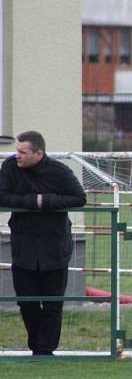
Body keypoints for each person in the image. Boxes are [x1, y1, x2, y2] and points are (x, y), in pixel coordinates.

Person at [0, 131, 86, 355]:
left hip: (55, 249)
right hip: (24, 248)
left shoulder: (59, 171)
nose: (16, 155)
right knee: (27, 304)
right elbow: (2, 196)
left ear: (38, 154)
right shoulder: (9, 168)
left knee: (52, 304)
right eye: (16, 150)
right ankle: (36, 346)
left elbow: (79, 197)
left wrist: (46, 201)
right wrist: (33, 201)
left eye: (22, 152)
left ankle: (44, 352)